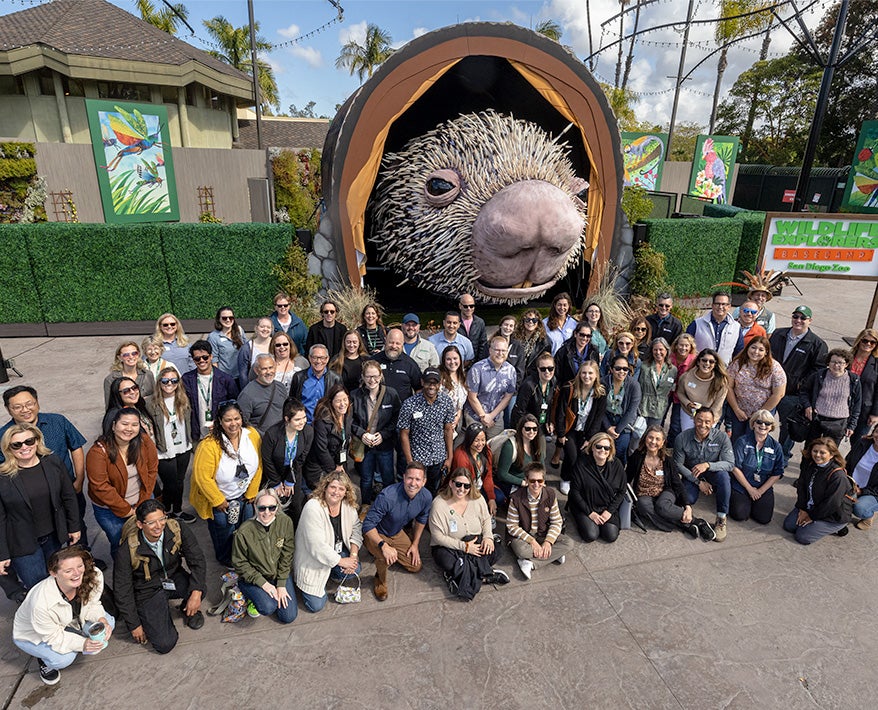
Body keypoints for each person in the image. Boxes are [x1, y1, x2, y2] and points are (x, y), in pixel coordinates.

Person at [0, 386, 89, 588]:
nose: (24, 447)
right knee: (38, 587)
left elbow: (75, 448)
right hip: (24, 542)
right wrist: (3, 553)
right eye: (17, 445)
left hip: (55, 532)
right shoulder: (3, 474)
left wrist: (79, 480)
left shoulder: (53, 455)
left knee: (60, 579)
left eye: (29, 403)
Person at [113, 499, 206, 654]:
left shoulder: (177, 529)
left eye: (162, 519)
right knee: (165, 644)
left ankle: (187, 609)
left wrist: (196, 593)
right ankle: (151, 615)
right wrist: (134, 625)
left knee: (200, 588)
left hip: (173, 576)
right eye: (151, 523)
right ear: (140, 524)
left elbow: (197, 560)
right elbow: (122, 590)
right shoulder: (127, 550)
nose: (158, 526)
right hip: (147, 589)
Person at [13, 547, 114, 686]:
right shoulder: (40, 602)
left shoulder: (93, 575)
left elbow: (93, 604)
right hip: (35, 634)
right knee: (63, 658)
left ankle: (76, 635)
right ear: (53, 573)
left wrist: (101, 619)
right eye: (68, 571)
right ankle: (44, 659)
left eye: (80, 566)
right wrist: (83, 644)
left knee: (108, 622)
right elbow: (53, 636)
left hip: (69, 621)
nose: (77, 573)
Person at [190, 402, 262, 567]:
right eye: (228, 420)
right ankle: (225, 559)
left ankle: (242, 555)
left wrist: (252, 492)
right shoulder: (209, 445)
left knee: (245, 528)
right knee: (224, 532)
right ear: (220, 422)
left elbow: (259, 465)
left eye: (236, 418)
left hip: (245, 496)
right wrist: (218, 500)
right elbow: (202, 477)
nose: (233, 423)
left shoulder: (252, 434)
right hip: (222, 500)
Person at [86, 407, 158, 556]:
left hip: (142, 501)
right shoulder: (98, 452)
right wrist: (127, 510)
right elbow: (100, 486)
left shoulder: (144, 441)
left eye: (134, 424)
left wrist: (142, 503)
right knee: (121, 545)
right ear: (113, 426)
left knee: (148, 540)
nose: (129, 429)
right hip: (110, 510)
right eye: (124, 424)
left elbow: (152, 470)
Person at [429, 469, 509, 599]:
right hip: (450, 547)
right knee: (446, 561)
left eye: (466, 486)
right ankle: (485, 575)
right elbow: (437, 537)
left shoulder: (477, 498)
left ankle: (458, 574)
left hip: (475, 542)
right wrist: (465, 547)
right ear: (451, 483)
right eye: (458, 484)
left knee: (497, 550)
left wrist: (488, 537)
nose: (462, 489)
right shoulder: (439, 504)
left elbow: (486, 519)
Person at [627, 426, 715, 538]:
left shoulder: (667, 460)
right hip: (644, 493)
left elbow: (677, 483)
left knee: (662, 506)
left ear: (662, 442)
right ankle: (685, 525)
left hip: (665, 491)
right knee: (643, 506)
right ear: (645, 438)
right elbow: (627, 477)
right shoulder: (637, 456)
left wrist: (687, 506)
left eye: (657, 439)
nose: (653, 442)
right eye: (650, 437)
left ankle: (697, 521)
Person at [362, 462, 432, 601]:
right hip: (377, 532)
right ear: (404, 477)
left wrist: (415, 544)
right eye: (410, 478)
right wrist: (383, 546)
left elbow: (422, 519)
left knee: (415, 566)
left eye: (418, 479)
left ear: (424, 482)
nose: (413, 483)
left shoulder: (426, 496)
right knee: (385, 557)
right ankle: (380, 579)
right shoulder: (387, 496)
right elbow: (368, 525)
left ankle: (384, 552)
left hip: (396, 532)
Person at [294, 472, 363, 612]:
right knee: (316, 605)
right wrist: (342, 562)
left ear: (346, 492)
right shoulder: (313, 507)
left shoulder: (348, 505)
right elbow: (316, 546)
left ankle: (331, 572)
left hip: (335, 551)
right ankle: (320, 578)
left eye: (341, 489)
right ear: (325, 487)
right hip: (313, 558)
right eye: (333, 487)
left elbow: (357, 529)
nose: (336, 492)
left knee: (355, 568)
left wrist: (353, 556)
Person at [769, 305, 828, 457]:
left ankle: (781, 457)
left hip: (792, 395)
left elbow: (818, 371)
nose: (798, 320)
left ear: (810, 321)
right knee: (762, 422)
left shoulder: (817, 344)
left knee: (788, 430)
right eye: (795, 316)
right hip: (770, 390)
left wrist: (801, 385)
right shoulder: (778, 334)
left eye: (803, 318)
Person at [232, 488, 297, 623]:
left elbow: (287, 554)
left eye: (272, 508)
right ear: (255, 507)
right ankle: (249, 594)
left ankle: (268, 594)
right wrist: (263, 584)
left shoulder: (285, 522)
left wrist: (281, 584)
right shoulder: (244, 532)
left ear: (277, 507)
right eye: (262, 508)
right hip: (256, 576)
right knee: (268, 607)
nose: (267, 512)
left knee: (288, 617)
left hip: (278, 573)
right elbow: (240, 563)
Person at [673, 408, 734, 542]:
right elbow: (678, 465)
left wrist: (708, 465)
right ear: (694, 420)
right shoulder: (682, 438)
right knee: (688, 498)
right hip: (692, 474)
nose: (703, 425)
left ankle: (721, 518)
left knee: (724, 477)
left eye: (707, 422)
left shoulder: (722, 437)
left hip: (713, 472)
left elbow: (730, 464)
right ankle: (691, 518)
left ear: (713, 422)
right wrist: (698, 482)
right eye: (699, 420)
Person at [145, 367, 195, 523]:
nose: (169, 384)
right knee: (170, 484)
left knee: (179, 483)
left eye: (174, 380)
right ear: (159, 382)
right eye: (165, 381)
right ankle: (165, 511)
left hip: (183, 447)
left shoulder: (184, 400)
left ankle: (178, 511)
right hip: (163, 450)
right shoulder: (150, 403)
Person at [506, 463, 572, 579]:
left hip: (542, 533)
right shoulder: (516, 498)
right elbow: (512, 526)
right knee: (521, 551)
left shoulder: (550, 494)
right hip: (523, 536)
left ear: (543, 481)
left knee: (568, 543)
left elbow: (557, 521)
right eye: (532, 481)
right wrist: (532, 541)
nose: (536, 484)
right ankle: (553, 554)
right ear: (526, 480)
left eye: (540, 481)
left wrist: (548, 542)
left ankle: (531, 563)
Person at [783, 437, 853, 544]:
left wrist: (812, 516)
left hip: (832, 514)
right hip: (811, 506)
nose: (817, 455)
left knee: (802, 537)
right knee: (789, 526)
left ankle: (838, 527)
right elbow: (801, 487)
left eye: (822, 452)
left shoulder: (838, 476)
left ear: (832, 455)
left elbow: (831, 503)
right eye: (815, 451)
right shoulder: (810, 464)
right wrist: (803, 509)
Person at [398, 368, 456, 495]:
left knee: (433, 491)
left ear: (440, 384)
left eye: (435, 383)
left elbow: (448, 430)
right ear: (422, 382)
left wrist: (450, 457)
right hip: (417, 458)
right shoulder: (409, 404)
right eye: (429, 382)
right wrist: (410, 461)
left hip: (438, 457)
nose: (432, 386)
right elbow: (404, 434)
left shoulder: (446, 402)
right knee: (414, 491)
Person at [350, 360, 401, 506]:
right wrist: (362, 434)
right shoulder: (355, 395)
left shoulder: (391, 394)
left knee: (388, 478)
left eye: (375, 376)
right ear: (362, 376)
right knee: (366, 479)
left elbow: (396, 418)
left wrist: (383, 435)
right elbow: (350, 421)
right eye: (368, 376)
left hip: (384, 445)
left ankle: (389, 506)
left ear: (381, 376)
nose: (372, 380)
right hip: (365, 446)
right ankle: (365, 506)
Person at [554, 360, 607, 495]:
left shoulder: (600, 393)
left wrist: (590, 438)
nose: (586, 376)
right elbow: (561, 412)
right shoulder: (569, 388)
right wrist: (560, 434)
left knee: (583, 457)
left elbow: (598, 418)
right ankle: (565, 478)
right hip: (570, 429)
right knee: (572, 456)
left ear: (596, 375)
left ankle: (577, 481)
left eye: (590, 373)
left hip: (586, 431)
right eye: (584, 373)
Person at [261, 398, 313, 525]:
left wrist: (290, 480)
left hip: (294, 471)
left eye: (304, 417)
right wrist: (276, 482)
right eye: (297, 419)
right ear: (287, 419)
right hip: (274, 471)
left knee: (295, 506)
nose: (302, 422)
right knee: (274, 506)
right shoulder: (272, 434)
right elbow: (267, 460)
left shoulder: (308, 431)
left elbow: (301, 458)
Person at [725, 336, 786, 441]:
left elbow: (779, 394)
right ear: (748, 348)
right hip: (740, 411)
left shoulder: (774, 367)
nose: (756, 352)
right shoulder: (737, 363)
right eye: (753, 347)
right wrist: (736, 409)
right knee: (737, 440)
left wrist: (759, 414)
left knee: (755, 441)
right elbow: (728, 387)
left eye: (761, 349)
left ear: (766, 352)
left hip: (762, 413)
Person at [568, 432, 626, 543]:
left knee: (610, 536)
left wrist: (609, 511)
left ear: (610, 450)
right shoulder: (581, 464)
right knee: (591, 535)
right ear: (592, 447)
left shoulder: (617, 465)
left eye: (606, 448)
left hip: (606, 505)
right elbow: (575, 492)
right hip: (586, 505)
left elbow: (622, 491)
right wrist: (590, 513)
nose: (602, 450)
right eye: (599, 446)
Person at [729, 411, 785, 525]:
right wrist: (750, 489)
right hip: (742, 485)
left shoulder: (776, 446)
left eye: (767, 423)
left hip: (763, 486)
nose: (763, 425)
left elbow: (777, 473)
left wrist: (760, 491)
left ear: (771, 427)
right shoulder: (742, 441)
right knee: (739, 515)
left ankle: (752, 503)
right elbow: (735, 467)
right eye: (759, 422)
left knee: (763, 519)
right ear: (753, 424)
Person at [800, 348, 861, 444]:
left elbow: (857, 404)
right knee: (811, 448)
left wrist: (851, 426)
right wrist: (807, 406)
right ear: (828, 362)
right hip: (817, 419)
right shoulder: (819, 375)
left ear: (846, 364)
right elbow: (804, 391)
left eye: (840, 363)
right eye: (833, 362)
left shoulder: (854, 380)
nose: (836, 365)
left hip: (838, 423)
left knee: (830, 450)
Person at [181, 339, 239, 440]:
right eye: (197, 358)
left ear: (211, 356)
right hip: (196, 432)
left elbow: (234, 405)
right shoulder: (186, 379)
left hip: (221, 433)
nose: (201, 361)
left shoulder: (226, 379)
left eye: (205, 357)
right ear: (193, 360)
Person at [464, 335, 517, 438]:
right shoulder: (477, 369)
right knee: (474, 445)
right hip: (475, 416)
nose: (500, 353)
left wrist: (491, 416)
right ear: (490, 350)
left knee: (496, 445)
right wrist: (483, 416)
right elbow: (472, 397)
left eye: (503, 351)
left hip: (496, 418)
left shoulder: (511, 371)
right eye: (497, 350)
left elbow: (508, 397)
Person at [304, 385, 353, 494]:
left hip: (339, 464)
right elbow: (321, 449)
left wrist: (340, 465)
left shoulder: (347, 414)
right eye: (338, 401)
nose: (342, 404)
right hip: (321, 467)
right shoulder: (322, 421)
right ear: (331, 402)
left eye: (345, 399)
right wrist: (335, 470)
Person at [674, 348, 729, 436]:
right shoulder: (686, 377)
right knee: (688, 438)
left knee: (703, 439)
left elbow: (718, 405)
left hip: (710, 415)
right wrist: (688, 404)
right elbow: (680, 392)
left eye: (711, 362)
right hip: (689, 413)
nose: (707, 363)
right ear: (698, 361)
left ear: (715, 364)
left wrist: (707, 418)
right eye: (704, 360)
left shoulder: (721, 382)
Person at [602, 355, 642, 465]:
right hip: (606, 420)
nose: (622, 372)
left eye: (625, 369)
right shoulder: (603, 383)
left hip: (624, 423)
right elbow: (599, 408)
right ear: (611, 369)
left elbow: (631, 411)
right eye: (618, 368)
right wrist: (608, 427)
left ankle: (618, 473)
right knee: (603, 450)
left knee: (620, 451)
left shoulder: (634, 385)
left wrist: (617, 430)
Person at [452, 422, 500, 514]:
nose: (480, 444)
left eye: (483, 440)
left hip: (479, 486)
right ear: (469, 440)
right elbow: (462, 483)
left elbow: (488, 475)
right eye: (476, 440)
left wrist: (491, 498)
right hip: (465, 489)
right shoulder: (461, 456)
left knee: (498, 498)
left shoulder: (486, 451)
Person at [494, 414, 546, 496]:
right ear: (521, 429)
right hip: (514, 484)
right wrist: (523, 483)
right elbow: (502, 474)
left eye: (535, 429)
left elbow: (542, 468)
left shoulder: (538, 443)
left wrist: (540, 482)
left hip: (532, 482)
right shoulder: (510, 446)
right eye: (528, 429)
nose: (531, 432)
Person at [686, 290, 743, 364]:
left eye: (724, 304)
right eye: (717, 304)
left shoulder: (736, 327)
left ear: (729, 306)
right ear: (712, 305)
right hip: (701, 367)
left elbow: (738, 351)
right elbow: (687, 345)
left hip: (723, 369)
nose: (720, 307)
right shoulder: (697, 324)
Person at [289, 345, 342, 423]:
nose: (318, 361)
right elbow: (292, 402)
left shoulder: (335, 378)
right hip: (304, 423)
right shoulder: (299, 377)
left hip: (326, 424)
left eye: (322, 358)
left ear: (327, 359)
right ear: (309, 358)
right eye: (315, 357)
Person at [237, 354, 287, 434]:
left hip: (281, 436)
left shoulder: (281, 387)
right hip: (260, 438)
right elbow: (242, 422)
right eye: (264, 369)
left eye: (271, 367)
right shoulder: (247, 394)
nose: (268, 372)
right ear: (256, 370)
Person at [511, 352, 556, 437]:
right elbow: (520, 411)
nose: (547, 372)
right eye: (543, 369)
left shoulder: (553, 382)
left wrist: (548, 421)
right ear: (538, 369)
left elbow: (549, 405)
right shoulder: (529, 385)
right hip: (526, 427)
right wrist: (524, 431)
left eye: (550, 368)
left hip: (540, 425)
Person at [372, 328, 422, 402]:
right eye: (391, 342)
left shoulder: (410, 364)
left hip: (403, 408)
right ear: (385, 341)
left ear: (403, 344)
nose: (394, 346)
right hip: (377, 407)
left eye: (397, 343)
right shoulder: (374, 361)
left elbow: (419, 389)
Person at [638, 337, 677, 429]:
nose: (658, 352)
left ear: (666, 351)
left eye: (661, 349)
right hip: (643, 407)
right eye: (655, 350)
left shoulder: (672, 370)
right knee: (638, 434)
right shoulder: (644, 367)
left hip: (659, 409)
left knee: (653, 433)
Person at [103, 340, 155, 407]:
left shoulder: (148, 375)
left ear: (138, 354)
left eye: (134, 353)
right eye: (126, 355)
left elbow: (155, 398)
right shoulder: (111, 379)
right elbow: (110, 406)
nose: (131, 357)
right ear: (119, 358)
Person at [847, 425, 878, 530]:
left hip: (873, 493)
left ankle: (869, 514)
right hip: (851, 484)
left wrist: (862, 491)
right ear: (873, 432)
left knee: (859, 508)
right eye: (877, 432)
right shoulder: (862, 443)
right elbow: (847, 461)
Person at [849, 328, 878, 438]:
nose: (868, 344)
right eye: (865, 340)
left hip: (864, 411)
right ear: (859, 340)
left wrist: (875, 413)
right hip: (842, 406)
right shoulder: (847, 358)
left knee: (858, 442)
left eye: (872, 342)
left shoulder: (876, 364)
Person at [207, 306, 247, 384]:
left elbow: (246, 349)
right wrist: (218, 379)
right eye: (224, 318)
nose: (228, 320)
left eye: (231, 318)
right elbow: (214, 360)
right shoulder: (213, 337)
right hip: (225, 378)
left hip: (242, 375)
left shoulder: (239, 331)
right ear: (219, 319)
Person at [512, 308, 552, 375]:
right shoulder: (514, 337)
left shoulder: (544, 341)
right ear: (523, 321)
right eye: (528, 320)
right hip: (515, 373)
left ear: (538, 323)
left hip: (533, 375)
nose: (531, 322)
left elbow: (545, 362)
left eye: (534, 320)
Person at [236, 317, 275, 386]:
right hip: (255, 387)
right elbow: (243, 375)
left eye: (268, 327)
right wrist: (247, 390)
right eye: (262, 327)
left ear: (272, 329)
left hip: (275, 386)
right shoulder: (247, 348)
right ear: (256, 328)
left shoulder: (276, 344)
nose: (265, 329)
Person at [439, 345, 467, 434]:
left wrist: (458, 416)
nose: (452, 362)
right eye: (448, 359)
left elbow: (460, 402)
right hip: (441, 422)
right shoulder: (439, 378)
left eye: (455, 358)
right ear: (443, 361)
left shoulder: (462, 376)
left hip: (457, 420)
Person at [458, 293, 488, 361]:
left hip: (475, 361)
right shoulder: (455, 322)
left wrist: (480, 362)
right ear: (460, 306)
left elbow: (483, 344)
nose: (469, 309)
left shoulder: (480, 322)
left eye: (471, 306)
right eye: (465, 306)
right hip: (458, 361)